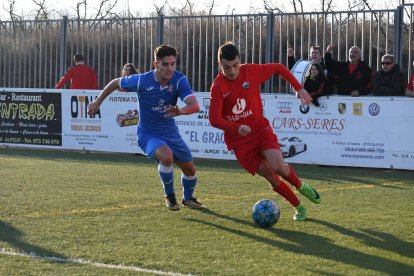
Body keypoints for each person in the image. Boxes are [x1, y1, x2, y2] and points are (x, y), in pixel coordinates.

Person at [209, 42, 321, 221]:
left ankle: (301, 186)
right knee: (270, 176)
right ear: (219, 65)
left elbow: (278, 68)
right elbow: (214, 119)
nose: (232, 71)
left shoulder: (250, 72)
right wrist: (237, 128)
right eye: (227, 67)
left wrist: (298, 87)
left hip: (260, 130)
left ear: (240, 61)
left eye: (235, 65)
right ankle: (299, 207)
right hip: (239, 142)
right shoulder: (218, 87)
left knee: (278, 167)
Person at [87, 45, 203, 210]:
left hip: (171, 133)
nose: (170, 68)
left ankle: (188, 198)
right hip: (148, 134)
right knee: (166, 156)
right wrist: (98, 101)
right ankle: (170, 196)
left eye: (173, 63)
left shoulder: (179, 80)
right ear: (155, 64)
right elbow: (115, 83)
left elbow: (195, 106)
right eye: (165, 64)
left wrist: (180, 111)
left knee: (190, 169)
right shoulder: (141, 80)